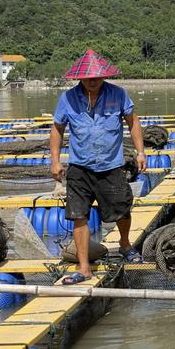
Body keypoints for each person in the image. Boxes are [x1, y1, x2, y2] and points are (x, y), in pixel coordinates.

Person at [50, 49, 146, 285]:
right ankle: (84, 269)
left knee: (122, 209)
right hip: (79, 168)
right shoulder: (68, 98)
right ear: (80, 78)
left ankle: (124, 244)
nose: (92, 81)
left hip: (111, 166)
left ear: (104, 76)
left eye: (97, 77)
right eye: (88, 78)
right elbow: (57, 129)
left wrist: (141, 152)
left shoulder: (119, 95)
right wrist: (54, 160)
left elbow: (133, 123)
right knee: (78, 216)